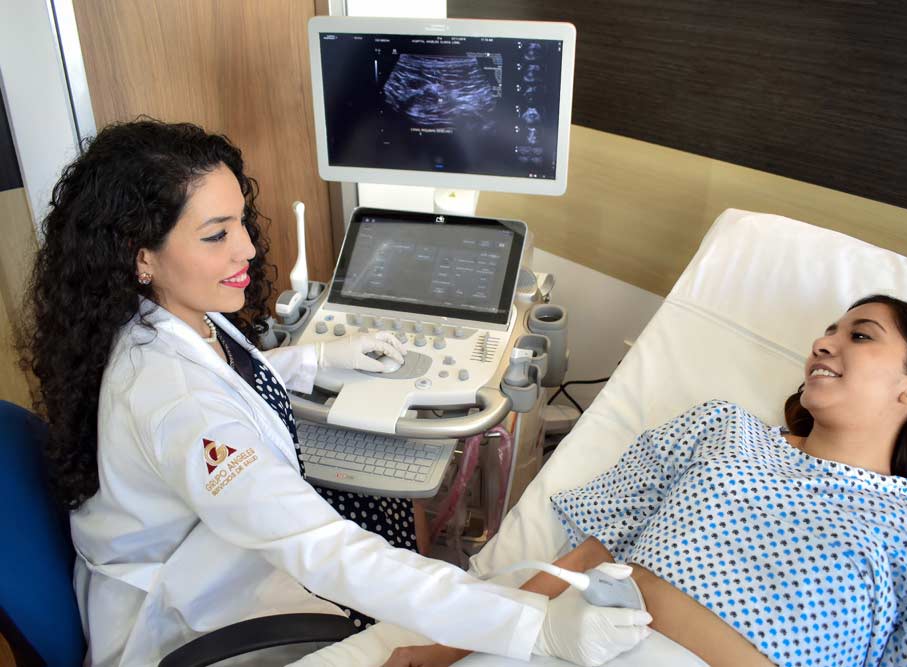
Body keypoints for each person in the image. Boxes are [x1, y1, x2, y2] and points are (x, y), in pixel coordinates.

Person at [16, 119, 651, 667]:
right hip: (193, 619)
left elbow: (224, 375)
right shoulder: (177, 404)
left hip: (212, 547)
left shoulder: (168, 317)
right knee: (373, 548)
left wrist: (316, 358)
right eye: (216, 235)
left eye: (240, 222)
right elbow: (322, 549)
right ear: (141, 256)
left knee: (385, 513)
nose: (246, 248)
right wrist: (536, 627)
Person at [337, 295, 907, 667]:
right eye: (828, 331)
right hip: (568, 644)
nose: (824, 344)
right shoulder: (724, 429)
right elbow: (585, 557)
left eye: (861, 336)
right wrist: (445, 649)